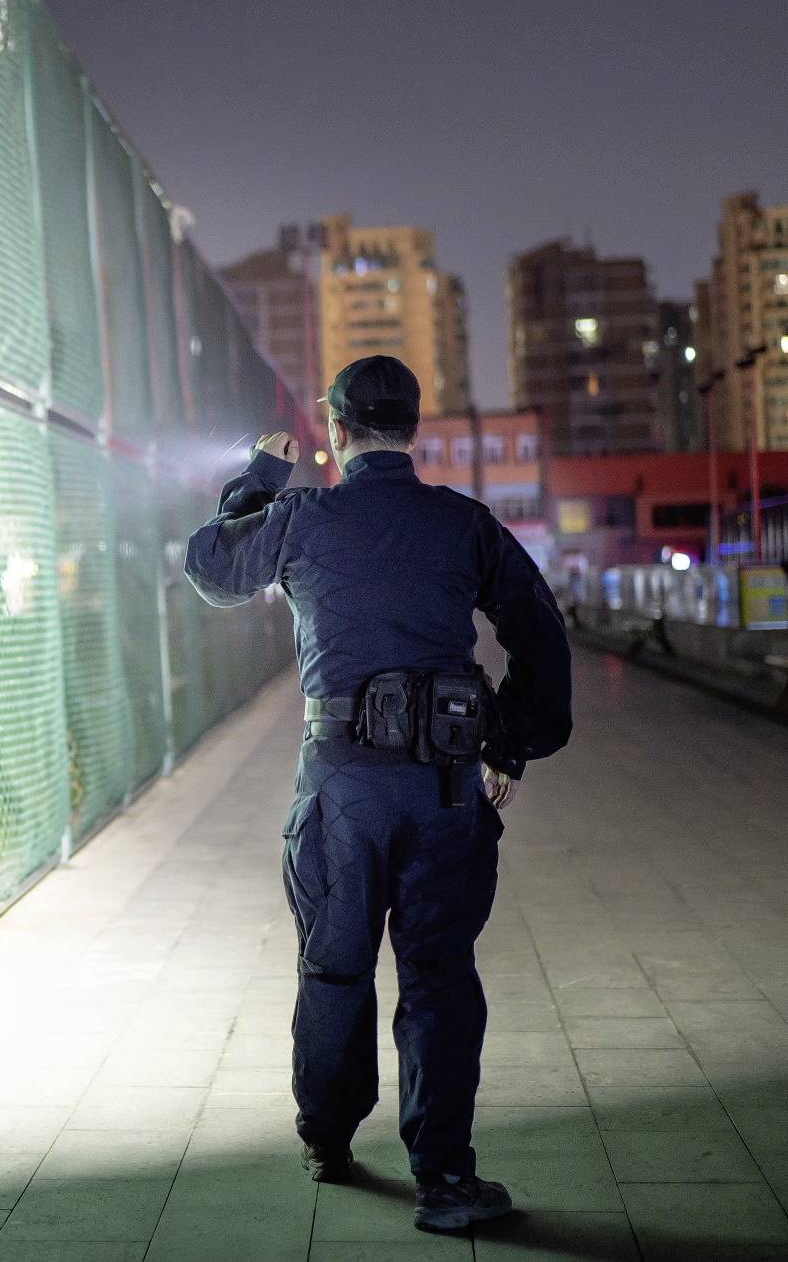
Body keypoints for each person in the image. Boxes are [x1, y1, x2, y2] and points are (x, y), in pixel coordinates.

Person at [184, 355, 572, 1234]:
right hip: (444, 788)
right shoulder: (465, 525)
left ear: (335, 429)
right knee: (438, 975)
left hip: (341, 789)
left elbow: (212, 568)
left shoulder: (303, 517)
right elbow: (541, 633)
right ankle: (443, 1179)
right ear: (414, 429)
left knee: (334, 965)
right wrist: (509, 738)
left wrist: (257, 476)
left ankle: (327, 1139)